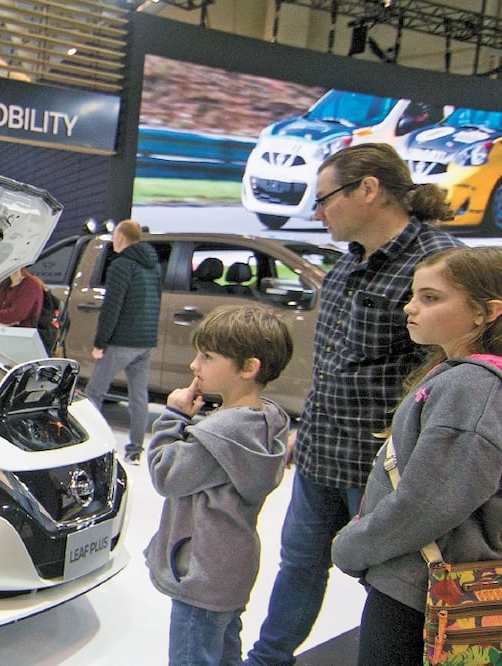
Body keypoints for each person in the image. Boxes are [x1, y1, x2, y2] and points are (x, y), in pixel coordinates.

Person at [245, 143, 463, 666]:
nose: (316, 213)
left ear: (368, 189)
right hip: (322, 453)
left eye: (324, 199)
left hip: (381, 469)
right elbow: (336, 364)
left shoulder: (439, 266)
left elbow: (452, 372)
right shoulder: (348, 266)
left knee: (388, 589)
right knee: (298, 563)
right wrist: (307, 427)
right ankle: (267, 659)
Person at [331, 247, 502, 665]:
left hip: (421, 594)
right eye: (414, 295)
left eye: (431, 297)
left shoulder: (470, 389)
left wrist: (351, 546)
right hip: (420, 585)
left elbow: (426, 505)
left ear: (485, 312)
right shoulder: (459, 377)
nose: (410, 307)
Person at [145, 304, 294, 666]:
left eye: (207, 356)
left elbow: (166, 474)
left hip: (201, 573)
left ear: (248, 368)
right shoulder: (265, 421)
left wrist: (173, 418)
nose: (195, 365)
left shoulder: (220, 435)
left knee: (192, 655)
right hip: (231, 569)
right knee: (225, 652)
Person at [84, 219, 162, 464]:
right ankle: (135, 450)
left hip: (121, 340)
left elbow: (112, 307)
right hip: (144, 340)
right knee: (138, 397)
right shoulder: (153, 265)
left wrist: (100, 342)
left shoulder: (121, 265)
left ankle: (91, 448)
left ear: (120, 237)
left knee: (94, 393)